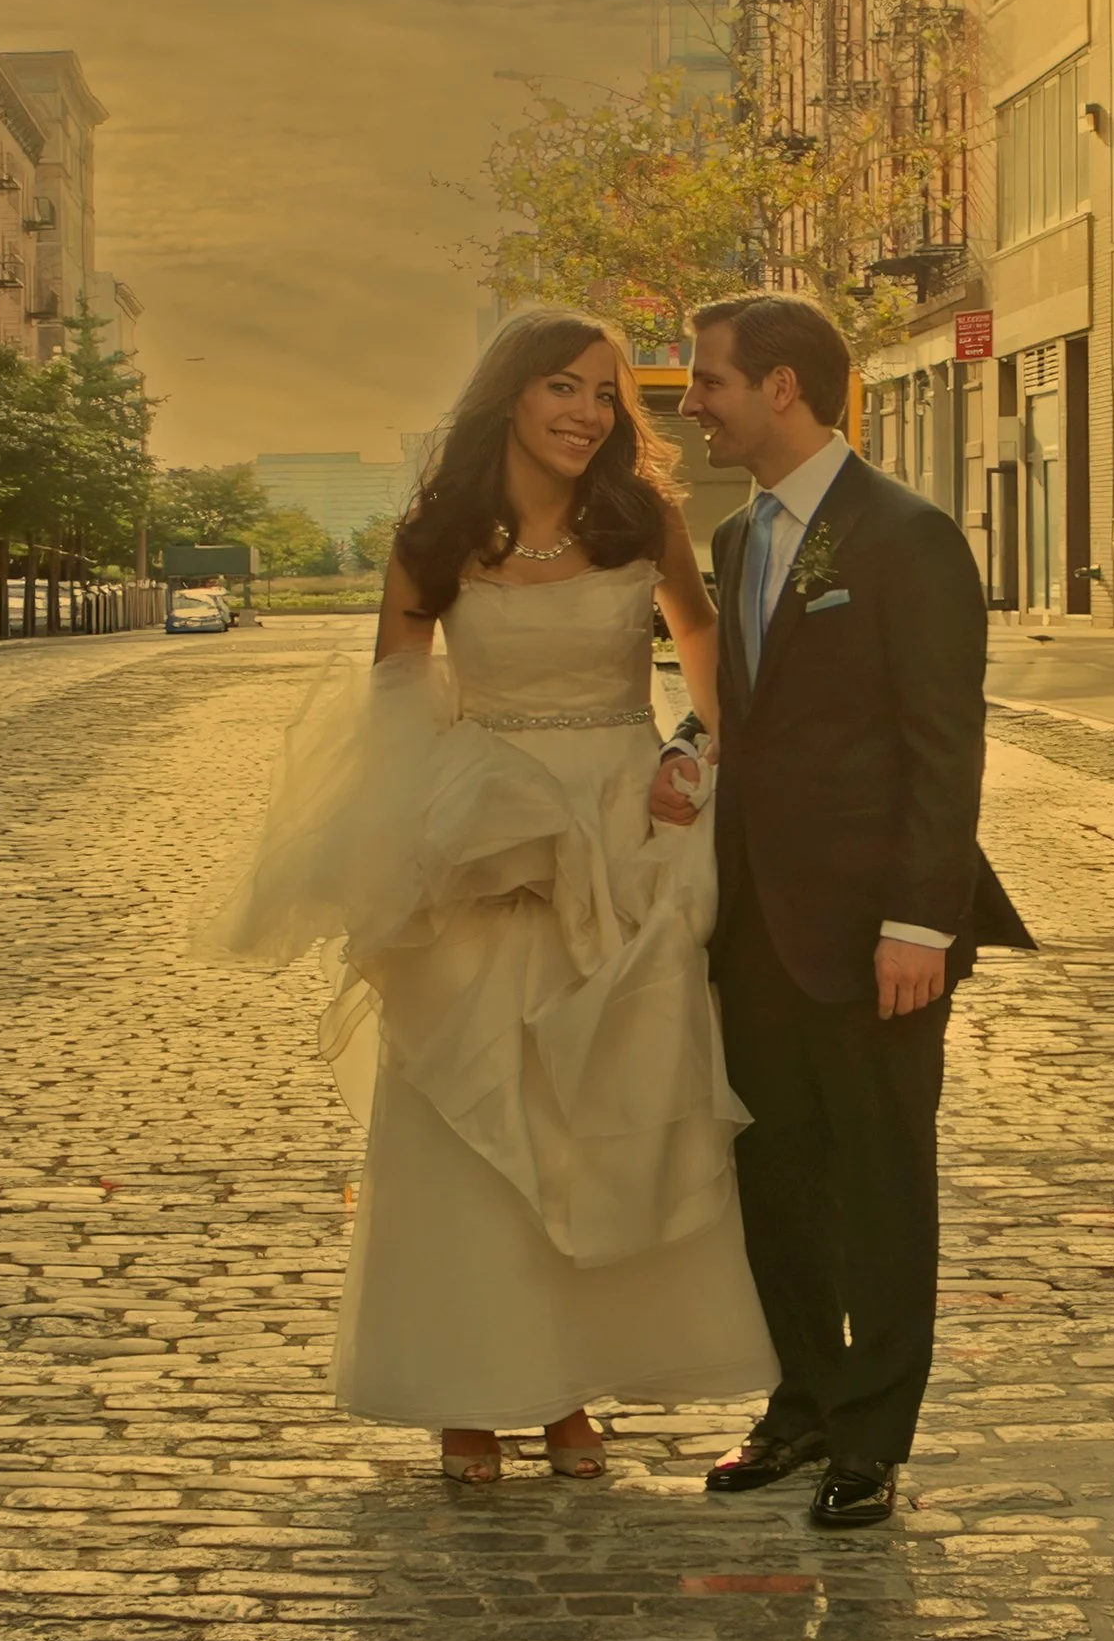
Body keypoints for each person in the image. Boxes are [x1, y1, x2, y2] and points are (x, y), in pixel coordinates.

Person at [210, 310, 773, 1483]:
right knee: (472, 1119)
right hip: (483, 839)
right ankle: (468, 1391)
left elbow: (706, 646)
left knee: (595, 1109)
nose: (584, 413)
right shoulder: (433, 537)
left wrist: (703, 761)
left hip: (622, 840)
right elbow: (395, 704)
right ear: (507, 396)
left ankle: (564, 1390)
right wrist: (437, 838)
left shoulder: (643, 520)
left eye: (607, 395)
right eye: (561, 387)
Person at [653, 292, 1032, 1531]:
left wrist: (919, 923)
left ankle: (872, 1434)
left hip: (877, 933)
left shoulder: (905, 536)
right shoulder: (734, 540)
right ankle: (800, 1401)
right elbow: (754, 707)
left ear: (781, 388)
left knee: (877, 1179)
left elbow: (942, 742)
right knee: (774, 1176)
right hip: (753, 921)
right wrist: (692, 745)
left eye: (708, 380)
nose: (691, 400)